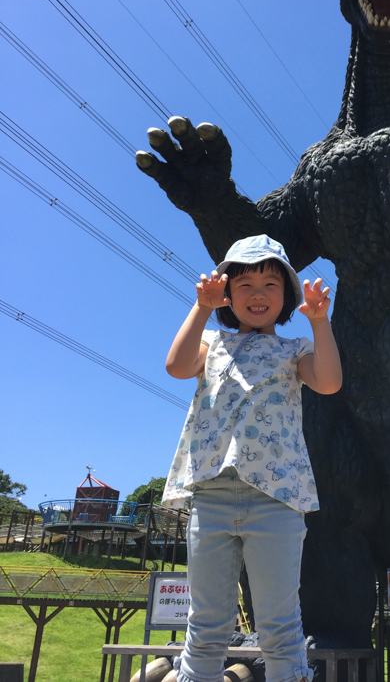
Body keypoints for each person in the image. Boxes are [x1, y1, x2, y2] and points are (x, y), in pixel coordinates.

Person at [162, 234, 342, 682]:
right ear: (227, 293)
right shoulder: (213, 342)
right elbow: (177, 366)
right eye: (244, 284)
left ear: (287, 297)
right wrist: (201, 307)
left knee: (279, 624)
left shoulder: (294, 350)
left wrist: (320, 323)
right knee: (205, 623)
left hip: (276, 498)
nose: (258, 293)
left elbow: (328, 382)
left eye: (270, 284)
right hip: (211, 495)